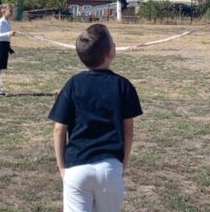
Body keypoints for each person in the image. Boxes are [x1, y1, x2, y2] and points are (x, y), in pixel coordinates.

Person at [48, 23, 143, 212]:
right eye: (113, 41)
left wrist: (62, 168)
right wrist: (122, 164)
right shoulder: (123, 86)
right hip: (110, 167)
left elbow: (59, 129)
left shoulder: (73, 84)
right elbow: (128, 133)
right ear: (110, 52)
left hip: (77, 168)